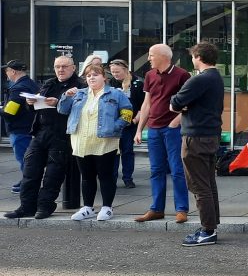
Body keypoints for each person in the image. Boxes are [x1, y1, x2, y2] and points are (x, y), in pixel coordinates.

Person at [4, 56, 86, 220]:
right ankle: (26, 206)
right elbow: (34, 108)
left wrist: (59, 102)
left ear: (73, 68)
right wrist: (30, 102)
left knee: (53, 174)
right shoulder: (49, 83)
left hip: (62, 135)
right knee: (30, 171)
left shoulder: (80, 86)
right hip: (41, 132)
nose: (60, 70)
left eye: (64, 66)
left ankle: (45, 206)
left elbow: (83, 110)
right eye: (57, 67)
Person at [59, 64, 133, 221]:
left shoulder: (115, 93)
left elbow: (127, 112)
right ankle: (87, 207)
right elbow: (62, 109)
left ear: (104, 78)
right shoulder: (79, 94)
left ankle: (107, 207)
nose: (91, 77)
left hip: (105, 140)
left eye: (95, 74)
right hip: (81, 139)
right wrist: (66, 95)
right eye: (88, 75)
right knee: (86, 176)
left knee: (105, 175)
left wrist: (116, 127)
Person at [170, 42, 225, 246]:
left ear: (199, 57)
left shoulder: (199, 79)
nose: (192, 60)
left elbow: (174, 103)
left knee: (199, 185)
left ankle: (207, 230)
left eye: (193, 57)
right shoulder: (216, 77)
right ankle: (210, 224)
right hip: (210, 135)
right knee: (208, 184)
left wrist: (183, 106)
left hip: (196, 137)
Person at [133, 44, 192, 224]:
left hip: (172, 129)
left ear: (163, 56)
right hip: (154, 129)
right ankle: (156, 209)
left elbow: (189, 103)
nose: (149, 58)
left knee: (176, 169)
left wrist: (175, 123)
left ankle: (181, 209)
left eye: (151, 55)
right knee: (156, 170)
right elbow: (147, 104)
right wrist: (139, 129)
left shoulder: (182, 75)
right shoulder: (150, 75)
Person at [2, 60, 37, 195]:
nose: (6, 74)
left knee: (24, 159)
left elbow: (10, 112)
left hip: (20, 129)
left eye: (7, 71)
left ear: (13, 71)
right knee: (28, 158)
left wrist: (1, 110)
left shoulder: (18, 88)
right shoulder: (30, 83)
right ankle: (26, 180)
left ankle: (28, 184)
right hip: (28, 127)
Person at [108, 59, 144, 188]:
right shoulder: (111, 83)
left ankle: (128, 177)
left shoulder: (137, 83)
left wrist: (135, 120)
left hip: (130, 124)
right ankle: (112, 177)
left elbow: (142, 106)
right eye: (112, 72)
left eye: (117, 72)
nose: (115, 75)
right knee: (113, 152)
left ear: (125, 69)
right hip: (114, 124)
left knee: (127, 151)